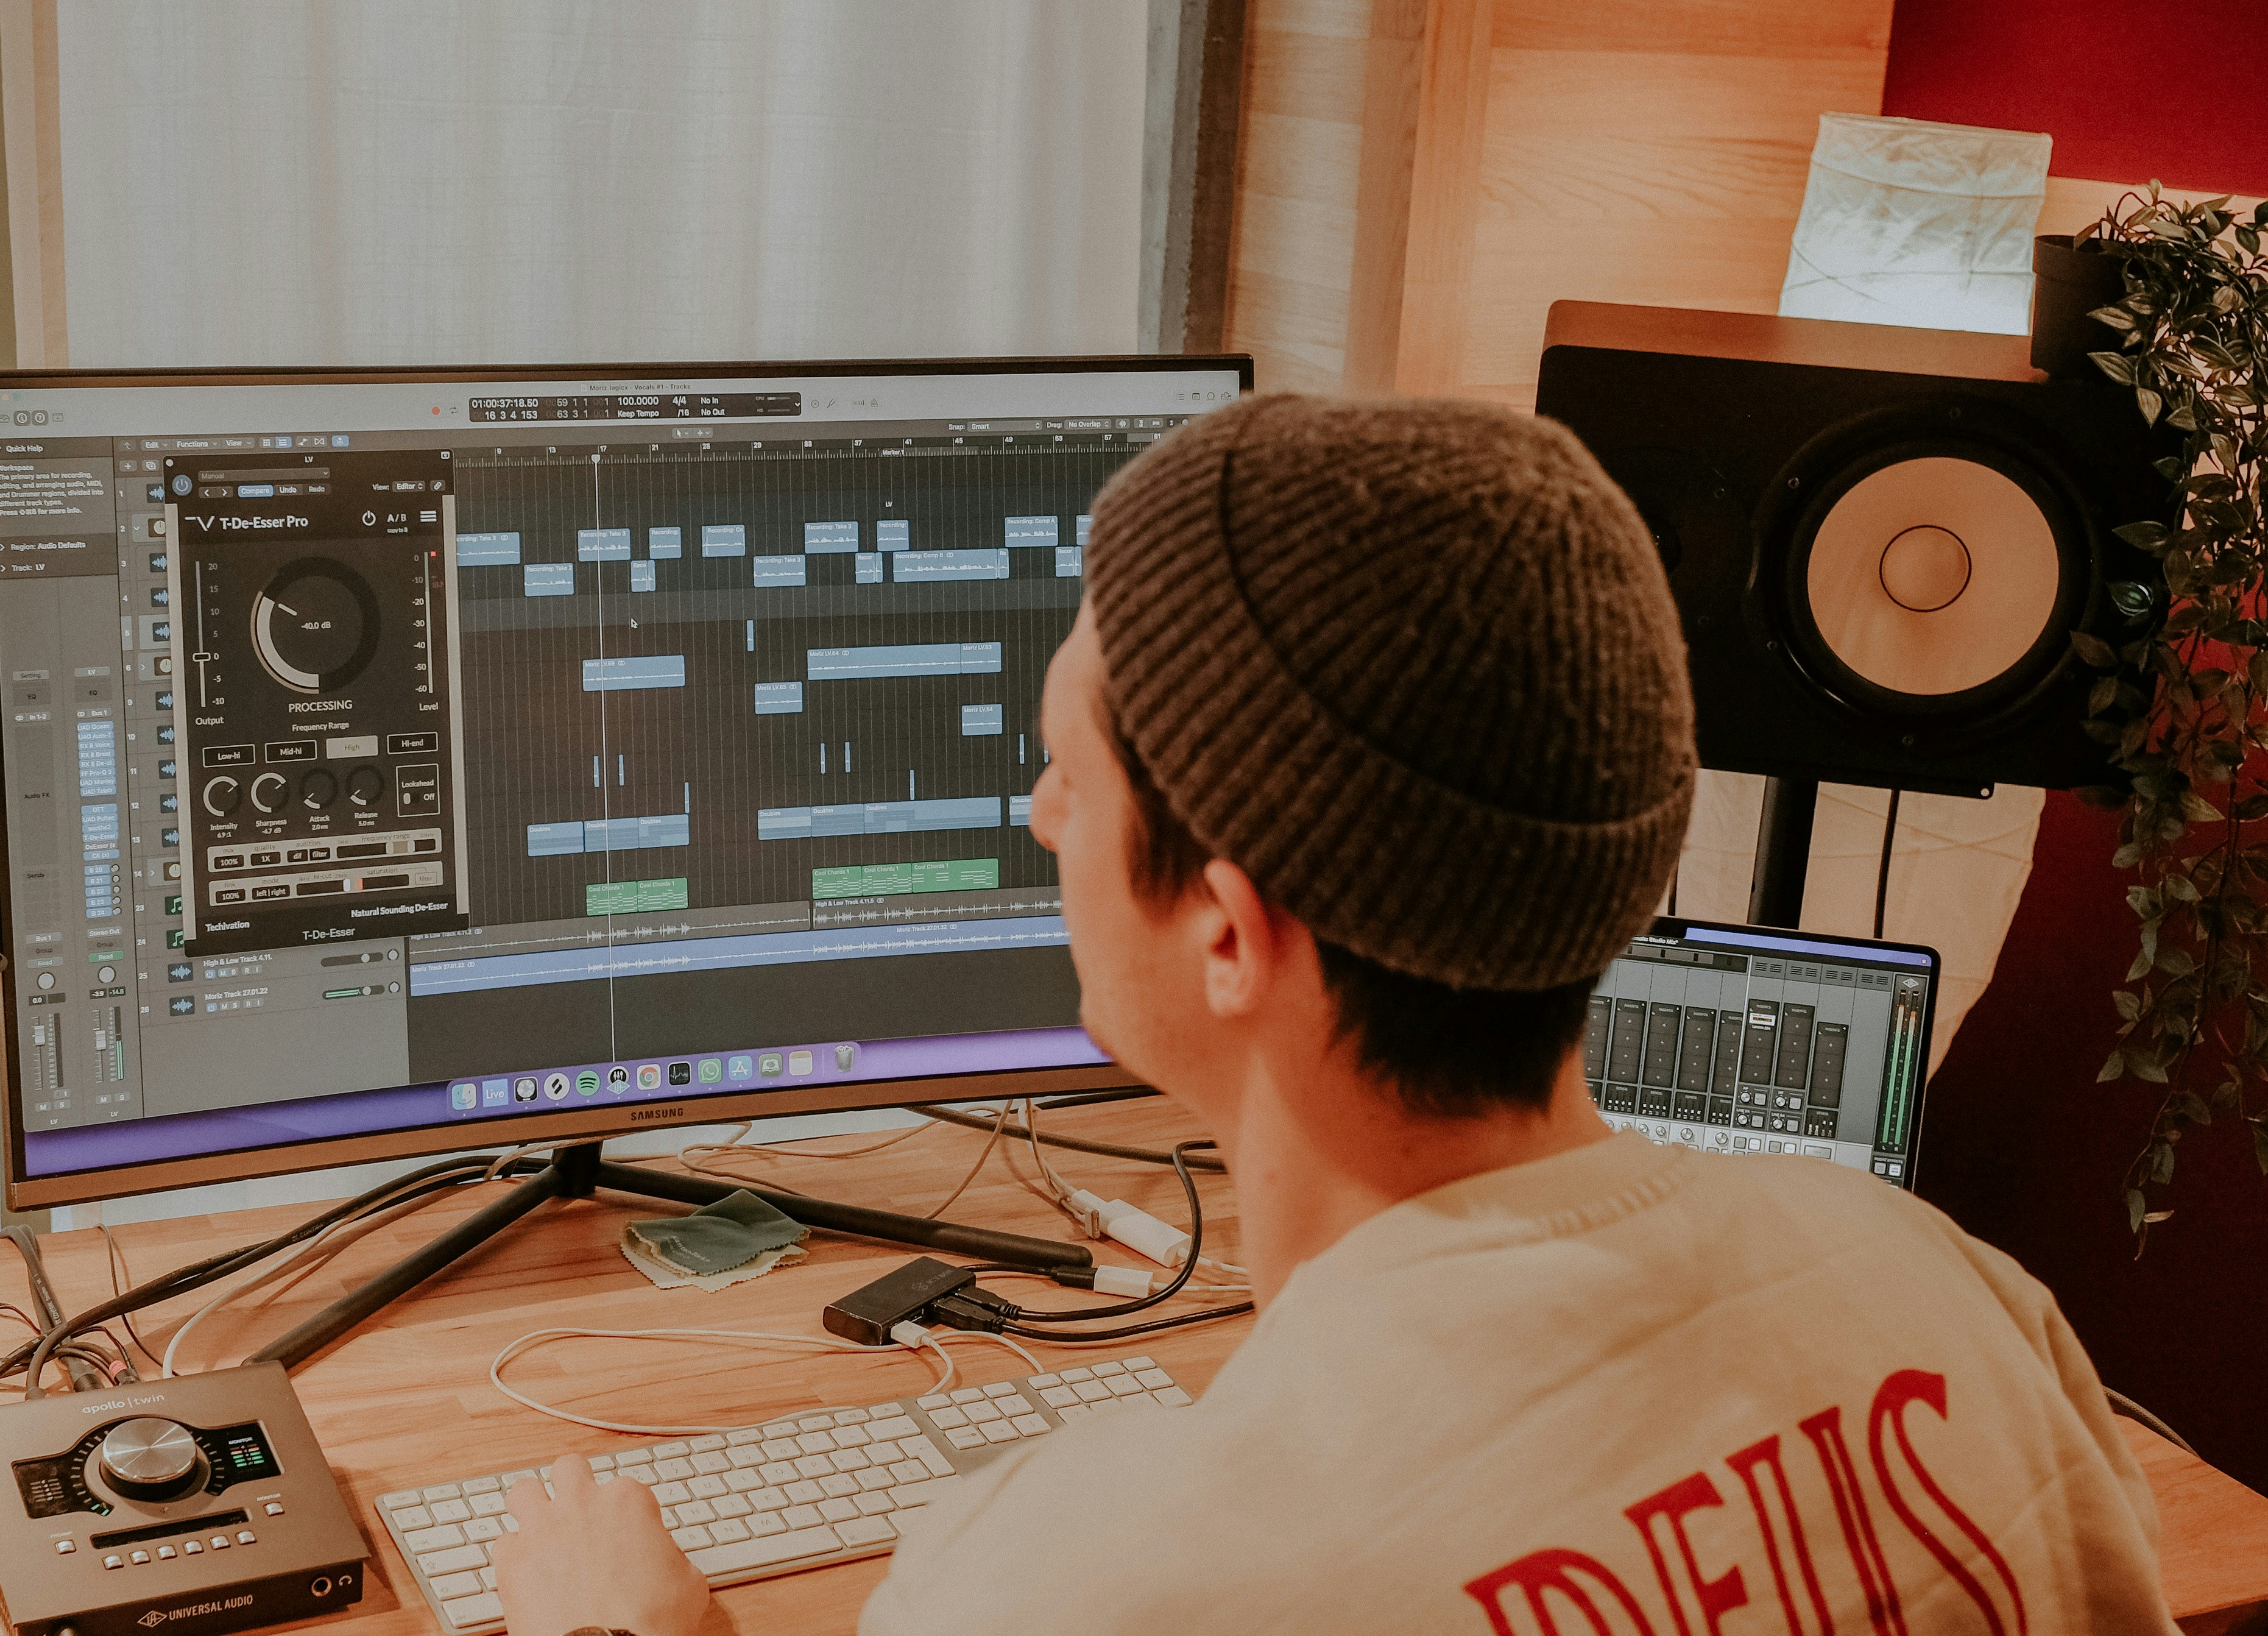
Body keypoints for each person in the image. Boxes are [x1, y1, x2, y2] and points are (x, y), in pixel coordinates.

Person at [488, 394, 2175, 1635]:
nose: (1035, 816)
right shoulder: (1955, 1299)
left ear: (1231, 931)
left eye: (1066, 770)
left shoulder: (1087, 1585)